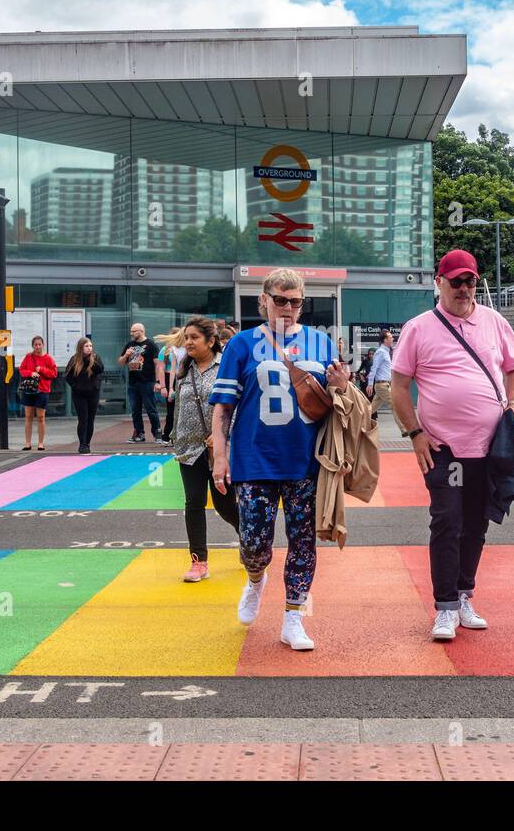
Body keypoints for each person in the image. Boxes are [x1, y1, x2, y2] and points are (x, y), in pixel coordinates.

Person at [210, 268, 351, 651]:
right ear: (264, 300)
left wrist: (342, 386)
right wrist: (219, 457)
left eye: (296, 301)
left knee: (304, 541)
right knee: (254, 542)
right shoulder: (240, 345)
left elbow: (341, 401)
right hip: (254, 459)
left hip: (306, 459)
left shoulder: (321, 344)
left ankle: (292, 617)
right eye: (281, 300)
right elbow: (223, 408)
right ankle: (256, 578)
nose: (288, 308)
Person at [391, 249, 514, 641]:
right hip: (444, 448)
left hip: (491, 448)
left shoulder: (494, 321)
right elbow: (399, 387)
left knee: (476, 523)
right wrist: (414, 433)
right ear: (439, 282)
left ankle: (465, 595)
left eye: (470, 281)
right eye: (456, 281)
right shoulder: (418, 328)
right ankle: (445, 607)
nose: (464, 289)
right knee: (447, 522)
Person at [173, 316, 240, 581]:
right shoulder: (183, 368)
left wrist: (224, 434)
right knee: (194, 502)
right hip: (188, 448)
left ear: (210, 341)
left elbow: (237, 404)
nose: (188, 342)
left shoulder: (226, 366)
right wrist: (174, 436)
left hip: (219, 450)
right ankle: (198, 561)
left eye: (194, 338)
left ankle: (249, 539)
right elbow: (179, 406)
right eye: (186, 338)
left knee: (225, 505)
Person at [119, 322, 164, 444]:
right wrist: (126, 355)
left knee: (151, 408)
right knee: (135, 410)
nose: (131, 334)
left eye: (134, 331)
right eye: (131, 331)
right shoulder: (130, 345)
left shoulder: (150, 345)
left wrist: (158, 381)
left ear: (141, 331)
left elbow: (157, 364)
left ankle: (158, 434)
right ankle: (139, 434)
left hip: (147, 381)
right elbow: (121, 362)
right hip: (133, 383)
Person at [64, 337, 104, 454]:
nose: (89, 348)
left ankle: (87, 443)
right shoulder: (75, 359)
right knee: (83, 419)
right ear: (81, 347)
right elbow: (68, 376)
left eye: (90, 346)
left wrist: (90, 361)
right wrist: (75, 386)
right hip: (79, 394)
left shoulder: (95, 358)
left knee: (91, 419)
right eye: (86, 346)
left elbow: (100, 369)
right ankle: (82, 444)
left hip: (93, 393)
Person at [19, 336, 58, 451]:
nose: (37, 347)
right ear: (32, 346)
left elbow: (54, 373)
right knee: (28, 416)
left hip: (42, 390)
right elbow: (21, 370)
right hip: (29, 390)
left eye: (39, 344)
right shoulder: (28, 357)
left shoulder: (48, 359)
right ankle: (28, 443)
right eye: (35, 344)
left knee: (41, 417)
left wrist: (42, 370)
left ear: (43, 345)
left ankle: (40, 443)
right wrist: (30, 373)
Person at [367, 330, 406, 433]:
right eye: (390, 337)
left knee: (371, 409)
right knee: (395, 404)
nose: (392, 339)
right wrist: (370, 384)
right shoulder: (380, 352)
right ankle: (404, 429)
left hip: (385, 385)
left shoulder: (386, 351)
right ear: (385, 340)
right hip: (382, 385)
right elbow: (374, 368)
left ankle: (356, 420)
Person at [157, 327, 186, 444]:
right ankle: (167, 435)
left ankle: (176, 435)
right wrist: (163, 386)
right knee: (171, 410)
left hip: (181, 377)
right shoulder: (166, 349)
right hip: (171, 378)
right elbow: (161, 368)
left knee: (181, 409)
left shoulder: (186, 348)